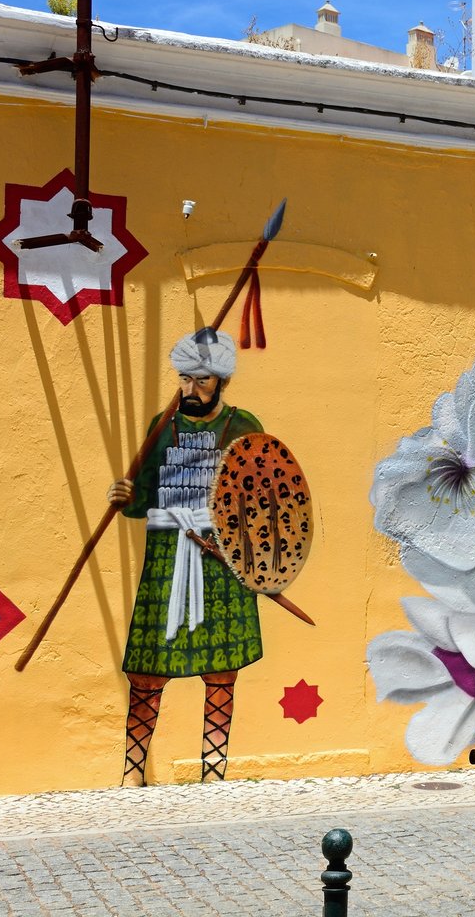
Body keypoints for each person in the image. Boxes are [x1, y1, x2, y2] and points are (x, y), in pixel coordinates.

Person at [107, 328, 265, 785]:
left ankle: (213, 771)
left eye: (201, 379)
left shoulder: (243, 425)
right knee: (147, 669)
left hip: (221, 556)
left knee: (222, 669)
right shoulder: (163, 425)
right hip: (166, 552)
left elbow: (263, 497)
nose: (190, 389)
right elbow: (143, 500)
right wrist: (126, 497)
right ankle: (133, 772)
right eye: (185, 378)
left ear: (221, 381)